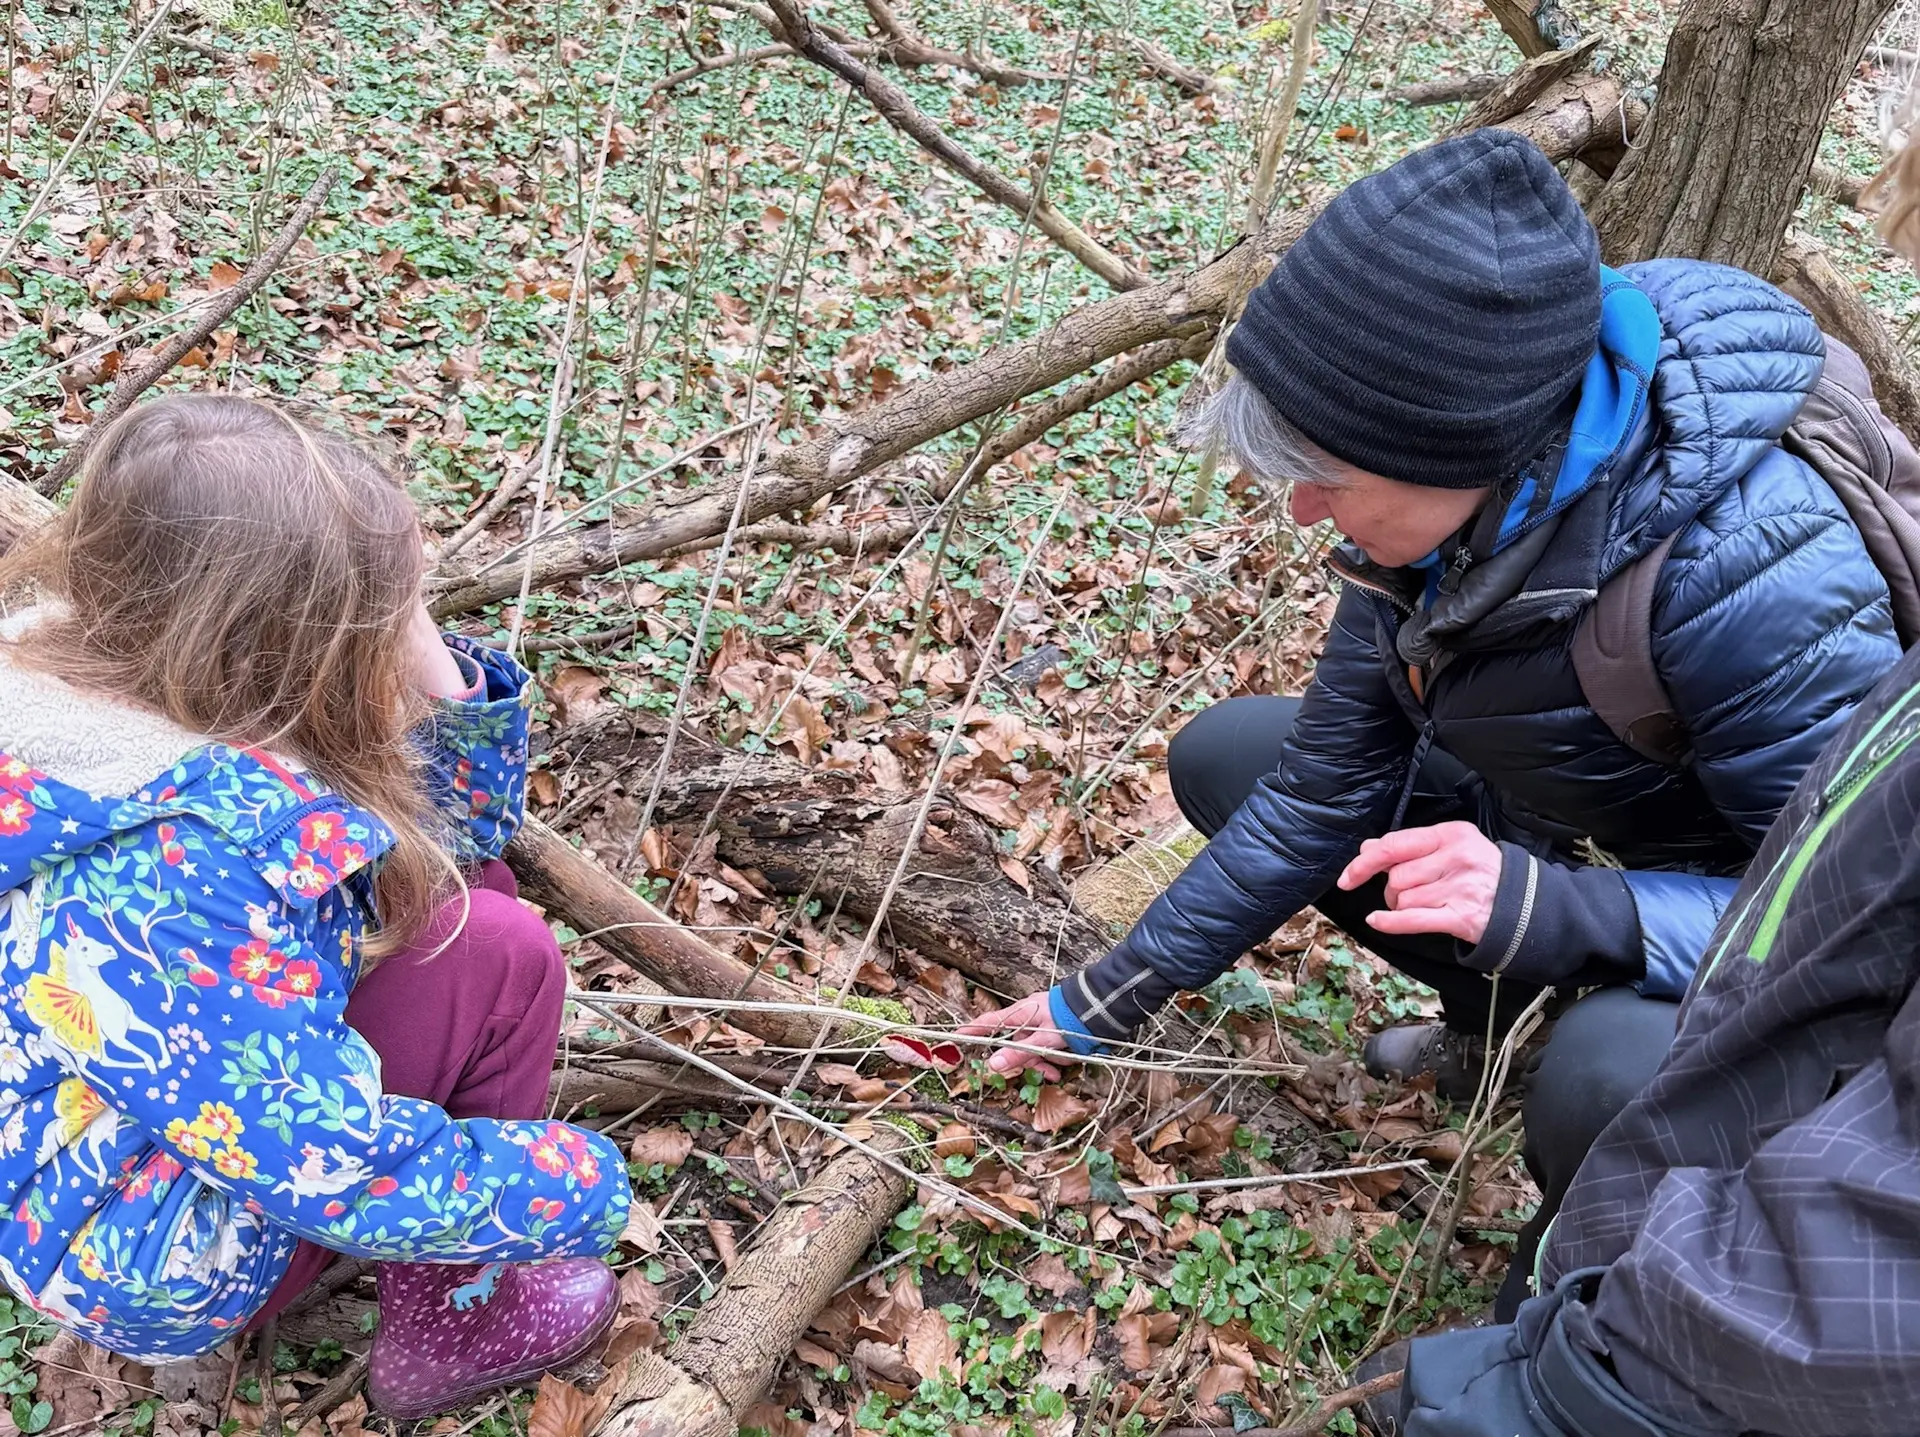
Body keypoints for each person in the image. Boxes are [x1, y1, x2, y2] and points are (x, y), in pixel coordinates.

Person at [963, 129, 1904, 1317]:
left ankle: (1571, 1316)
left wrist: (1565, 911)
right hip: (1582, 832)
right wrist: (1097, 1001)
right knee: (1236, 761)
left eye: (1331, 473)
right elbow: (1322, 791)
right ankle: (1492, 1030)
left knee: (1604, 1072)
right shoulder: (1437, 535)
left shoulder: (1752, 580)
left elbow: (1848, 926)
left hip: (1762, 915)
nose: (1305, 510)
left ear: (1470, 447)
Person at [0, 396, 630, 1419]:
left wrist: (429, 653)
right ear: (290, 645)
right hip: (146, 1254)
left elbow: (453, 844)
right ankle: (456, 1319)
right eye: (377, 624)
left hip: (69, 1137)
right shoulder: (177, 878)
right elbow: (326, 1165)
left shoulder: (93, 694)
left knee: (469, 901)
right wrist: (573, 1186)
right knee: (502, 946)